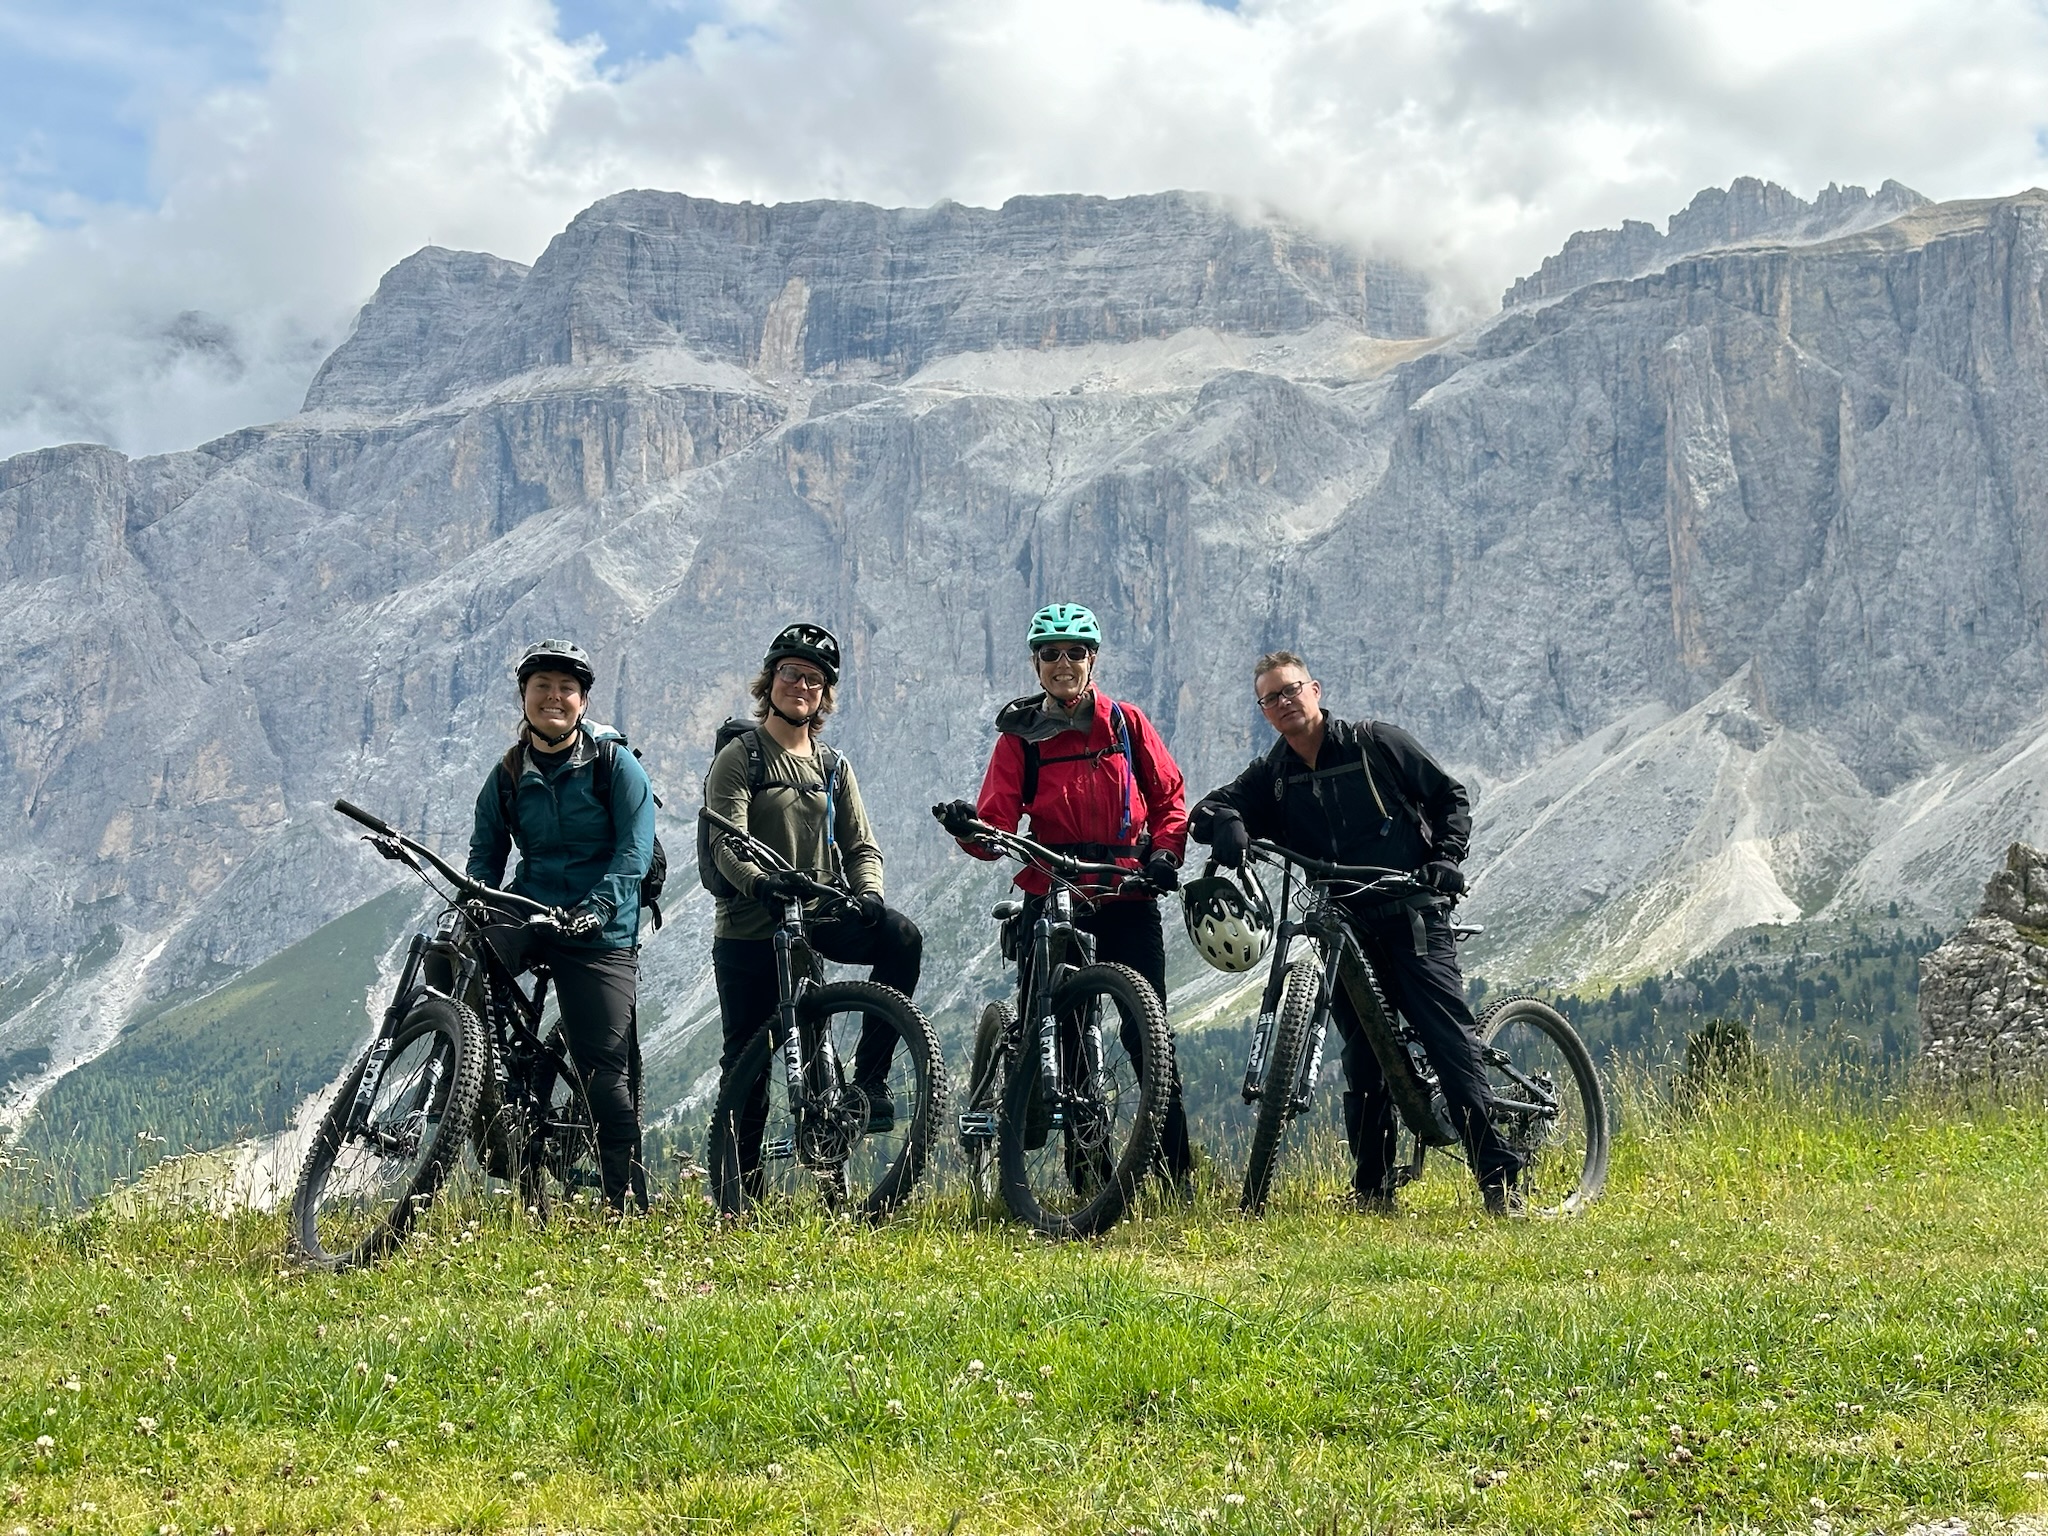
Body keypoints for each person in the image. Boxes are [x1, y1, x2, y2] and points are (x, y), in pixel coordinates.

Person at [1188, 649, 1524, 1214]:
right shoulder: (1274, 775)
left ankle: (1500, 1178)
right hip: (1342, 923)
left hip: (1409, 910)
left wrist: (1446, 858)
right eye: (1271, 698)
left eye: (1291, 690)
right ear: (1263, 712)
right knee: (1363, 1053)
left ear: (1315, 690)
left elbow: (1449, 797)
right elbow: (1206, 809)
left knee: (1445, 1040)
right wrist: (1225, 821)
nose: (1284, 703)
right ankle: (1372, 1190)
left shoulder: (1375, 742)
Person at [936, 602, 1196, 1189]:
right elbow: (996, 828)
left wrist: (1165, 854)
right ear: (1036, 663)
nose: (1062, 664)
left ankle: (1178, 1178)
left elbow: (1170, 801)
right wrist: (968, 828)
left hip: (1127, 892)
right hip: (1054, 891)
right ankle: (1089, 1179)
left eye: (1074, 652)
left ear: (1092, 659)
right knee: (1068, 1033)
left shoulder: (1127, 724)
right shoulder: (1019, 742)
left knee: (1146, 1031)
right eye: (1050, 654)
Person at [705, 623, 923, 1175]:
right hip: (751, 923)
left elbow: (861, 844)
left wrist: (870, 893)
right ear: (770, 679)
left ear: (825, 694)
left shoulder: (833, 767)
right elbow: (725, 840)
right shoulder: (741, 755)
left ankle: (870, 1082)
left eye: (815, 679)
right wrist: (759, 882)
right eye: (791, 673)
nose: (801, 685)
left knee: (901, 937)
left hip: (818, 915)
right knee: (747, 1069)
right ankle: (739, 1198)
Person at [468, 638, 657, 1214]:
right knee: (456, 953)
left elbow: (634, 854)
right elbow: (485, 856)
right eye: (542, 687)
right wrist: (477, 900)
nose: (555, 697)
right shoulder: (506, 774)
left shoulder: (613, 764)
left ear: (582, 701)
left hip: (601, 923)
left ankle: (625, 1198)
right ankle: (482, 1077)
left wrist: (599, 908)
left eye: (566, 689)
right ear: (523, 696)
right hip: (532, 907)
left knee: (604, 1067)